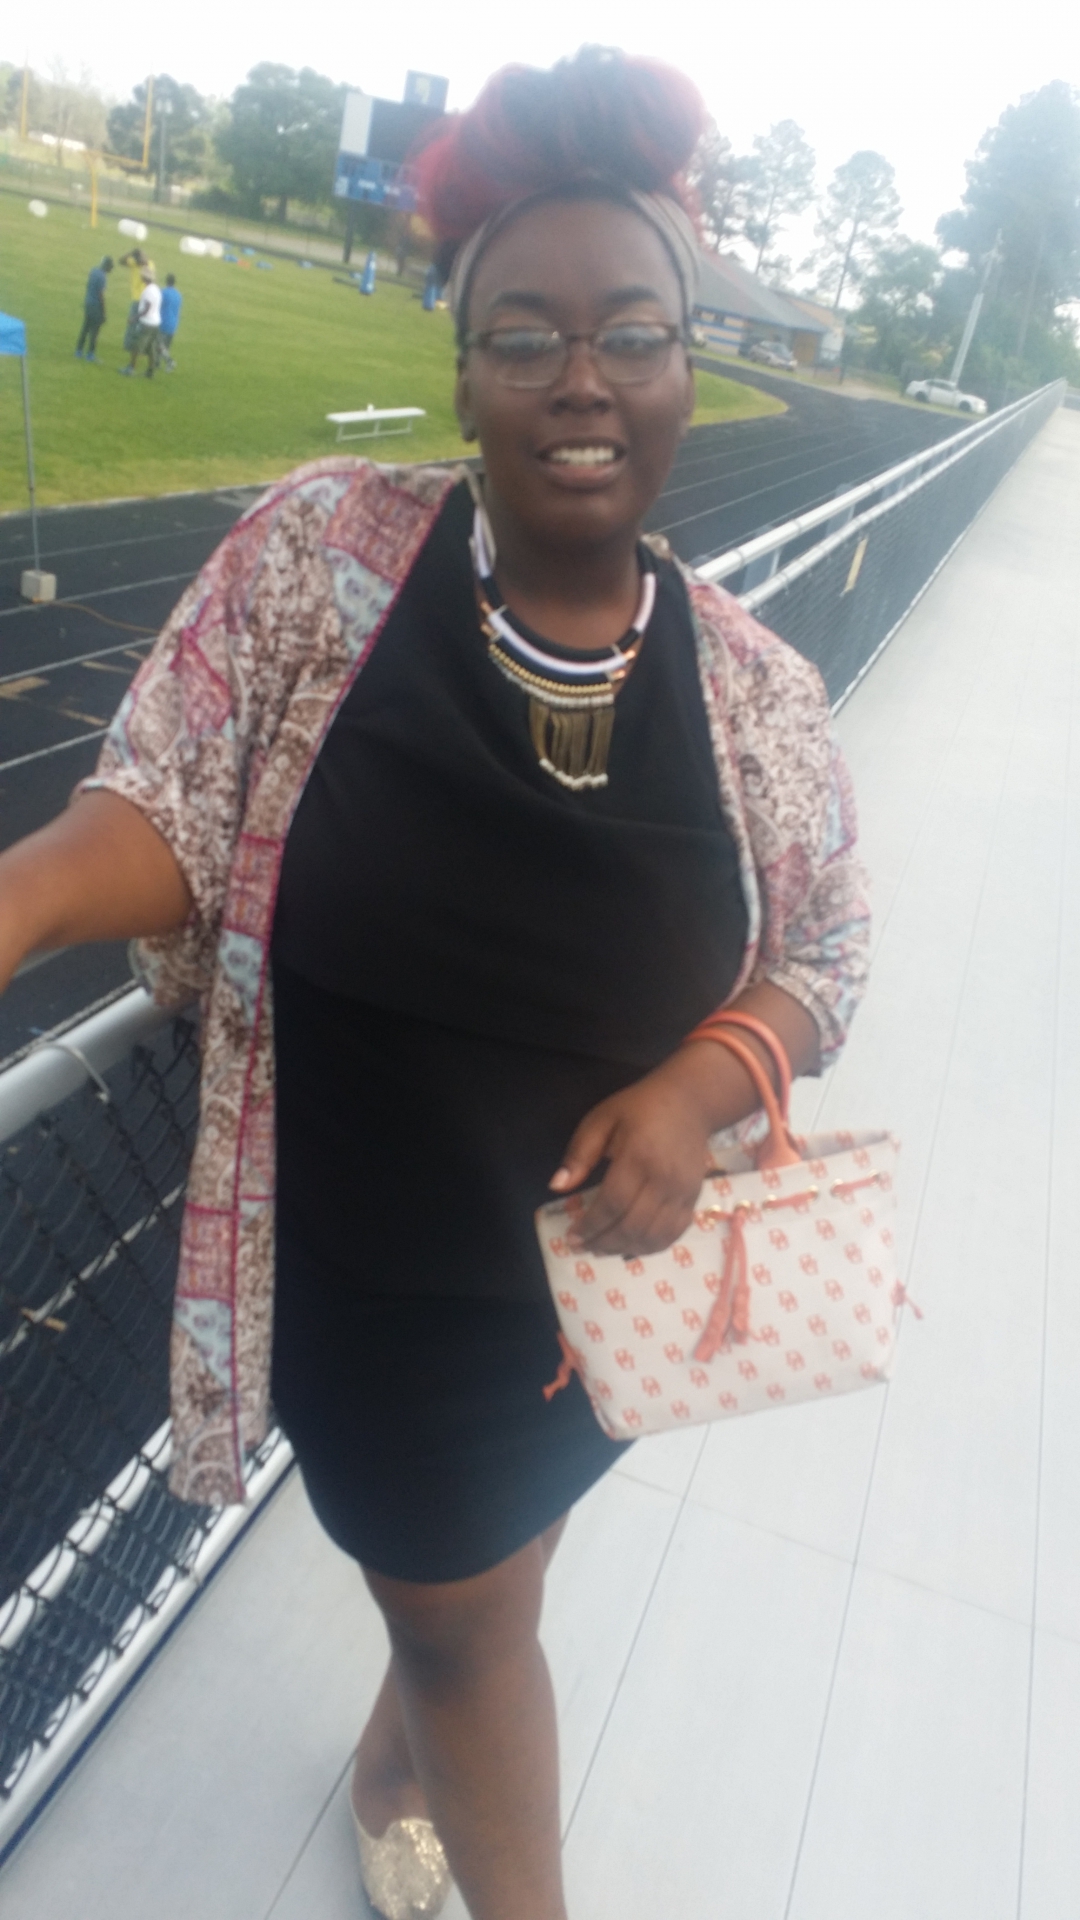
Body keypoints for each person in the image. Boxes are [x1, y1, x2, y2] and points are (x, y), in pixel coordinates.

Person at [0, 48, 868, 1920]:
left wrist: (703, 1081)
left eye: (632, 334)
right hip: (380, 1293)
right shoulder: (321, 558)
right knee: (468, 1625)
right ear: (463, 370)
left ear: (688, 367)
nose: (582, 378)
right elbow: (169, 801)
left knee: (503, 1573)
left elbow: (826, 951)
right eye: (526, 335)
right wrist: (21, 899)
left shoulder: (763, 697)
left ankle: (391, 1766)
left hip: (610, 1302)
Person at [121, 268, 162, 378]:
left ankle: (131, 369)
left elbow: (147, 308)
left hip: (146, 323)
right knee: (151, 348)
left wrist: (134, 318)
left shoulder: (148, 291)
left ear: (144, 278)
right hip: (156, 322)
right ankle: (150, 371)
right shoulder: (156, 289)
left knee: (136, 346)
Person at [74, 255, 113, 361]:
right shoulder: (102, 277)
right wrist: (104, 312)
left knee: (85, 328)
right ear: (107, 266)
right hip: (96, 306)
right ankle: (90, 354)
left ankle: (78, 351)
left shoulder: (94, 271)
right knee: (94, 332)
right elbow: (101, 295)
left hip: (88, 302)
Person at [159, 273, 182, 370]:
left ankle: (170, 362)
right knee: (166, 346)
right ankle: (158, 364)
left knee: (159, 345)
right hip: (174, 323)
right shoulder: (178, 295)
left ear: (166, 281)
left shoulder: (163, 292)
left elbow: (158, 306)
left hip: (164, 322)